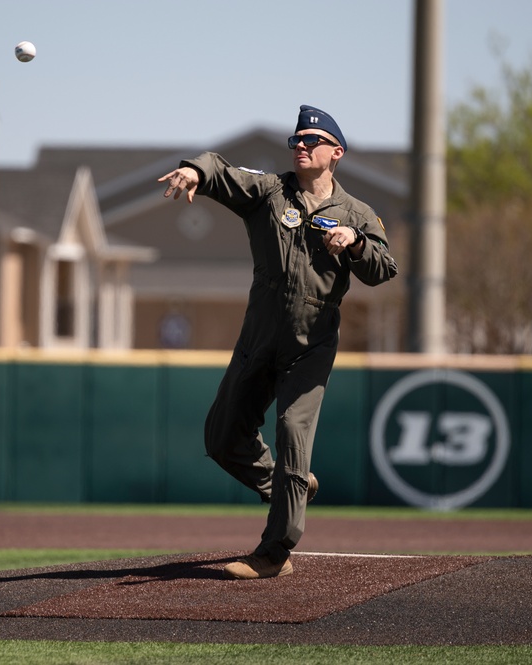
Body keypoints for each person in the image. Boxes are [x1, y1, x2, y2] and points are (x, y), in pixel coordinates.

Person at [158, 105, 398, 579]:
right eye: (297, 140)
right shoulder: (270, 191)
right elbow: (222, 172)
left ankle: (274, 552)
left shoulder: (356, 213)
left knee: (293, 433)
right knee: (222, 437)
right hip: (259, 337)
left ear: (336, 153)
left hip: (310, 345)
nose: (301, 146)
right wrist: (194, 170)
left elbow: (383, 269)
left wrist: (354, 242)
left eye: (312, 140)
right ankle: (290, 485)